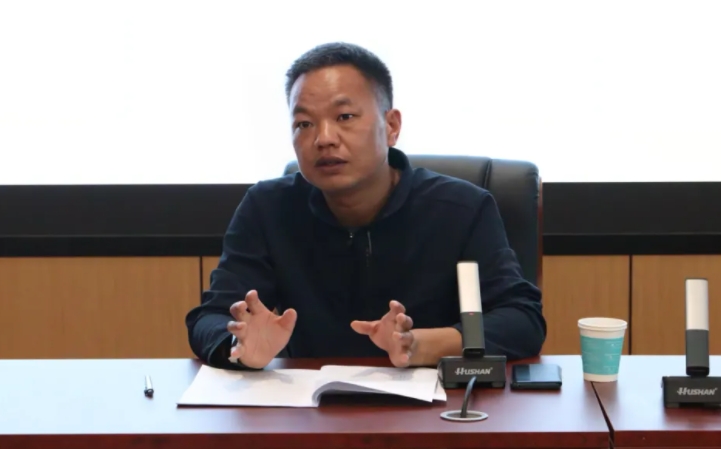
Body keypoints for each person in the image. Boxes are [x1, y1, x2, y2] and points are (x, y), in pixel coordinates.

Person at [185, 42, 546, 370]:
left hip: (437, 408)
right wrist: (240, 346)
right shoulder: (268, 208)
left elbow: (522, 319)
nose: (324, 139)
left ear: (391, 126)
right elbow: (209, 318)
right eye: (304, 123)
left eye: (344, 117)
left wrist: (418, 344)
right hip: (307, 408)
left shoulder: (462, 209)